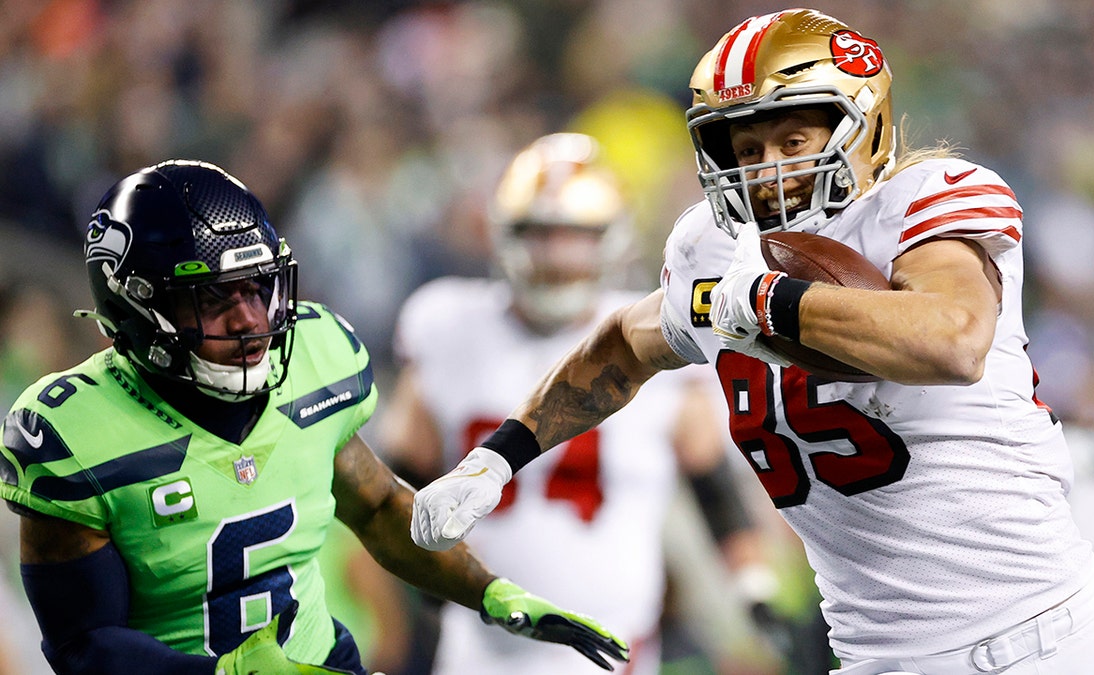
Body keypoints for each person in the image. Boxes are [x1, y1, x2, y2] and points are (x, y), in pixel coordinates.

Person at [407, 9, 1094, 675]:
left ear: (861, 127)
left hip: (1041, 640)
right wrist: (499, 455)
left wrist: (770, 300)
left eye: (794, 136)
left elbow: (954, 341)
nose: (770, 170)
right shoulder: (712, 246)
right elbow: (623, 345)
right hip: (874, 655)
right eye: (747, 144)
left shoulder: (925, 198)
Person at [0, 159, 629, 675]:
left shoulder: (315, 361)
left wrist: (489, 593)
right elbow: (84, 645)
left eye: (257, 286)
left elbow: (379, 508)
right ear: (137, 306)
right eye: (213, 298)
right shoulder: (75, 434)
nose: (250, 320)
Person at [382, 132, 786, 675]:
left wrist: (751, 588)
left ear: (611, 240)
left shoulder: (649, 333)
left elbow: (711, 485)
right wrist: (415, 589)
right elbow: (397, 484)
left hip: (612, 649)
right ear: (505, 236)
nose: (557, 256)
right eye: (539, 234)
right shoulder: (448, 324)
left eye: (575, 236)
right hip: (477, 647)